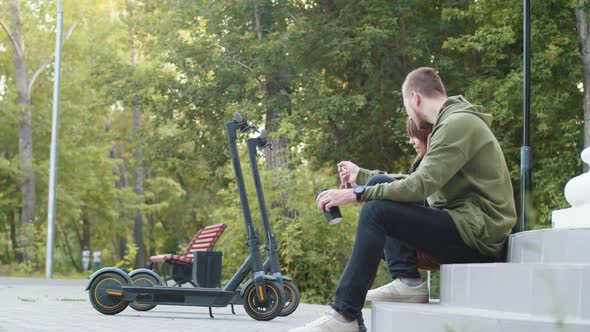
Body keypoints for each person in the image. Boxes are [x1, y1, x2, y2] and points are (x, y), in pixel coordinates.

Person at [289, 67, 517, 332]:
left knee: (377, 211)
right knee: (379, 185)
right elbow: (418, 179)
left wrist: (355, 194)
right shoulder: (450, 123)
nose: (409, 114)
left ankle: (345, 315)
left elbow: (419, 186)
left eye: (406, 106)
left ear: (415, 98)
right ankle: (408, 281)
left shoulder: (458, 124)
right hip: (466, 225)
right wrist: (362, 176)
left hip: (480, 236)